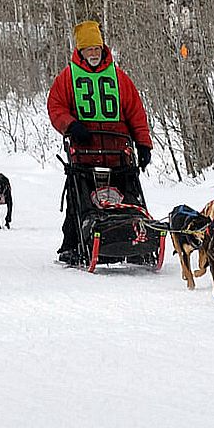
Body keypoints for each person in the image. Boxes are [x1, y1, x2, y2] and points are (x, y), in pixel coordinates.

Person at [47, 19, 154, 263]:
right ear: (81, 52)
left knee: (128, 199)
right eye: (89, 50)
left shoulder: (118, 77)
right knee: (79, 201)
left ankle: (135, 243)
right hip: (84, 152)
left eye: (97, 48)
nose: (94, 53)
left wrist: (143, 144)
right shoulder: (67, 78)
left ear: (103, 48)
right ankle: (73, 244)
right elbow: (56, 107)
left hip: (118, 151)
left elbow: (135, 111)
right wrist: (71, 125)